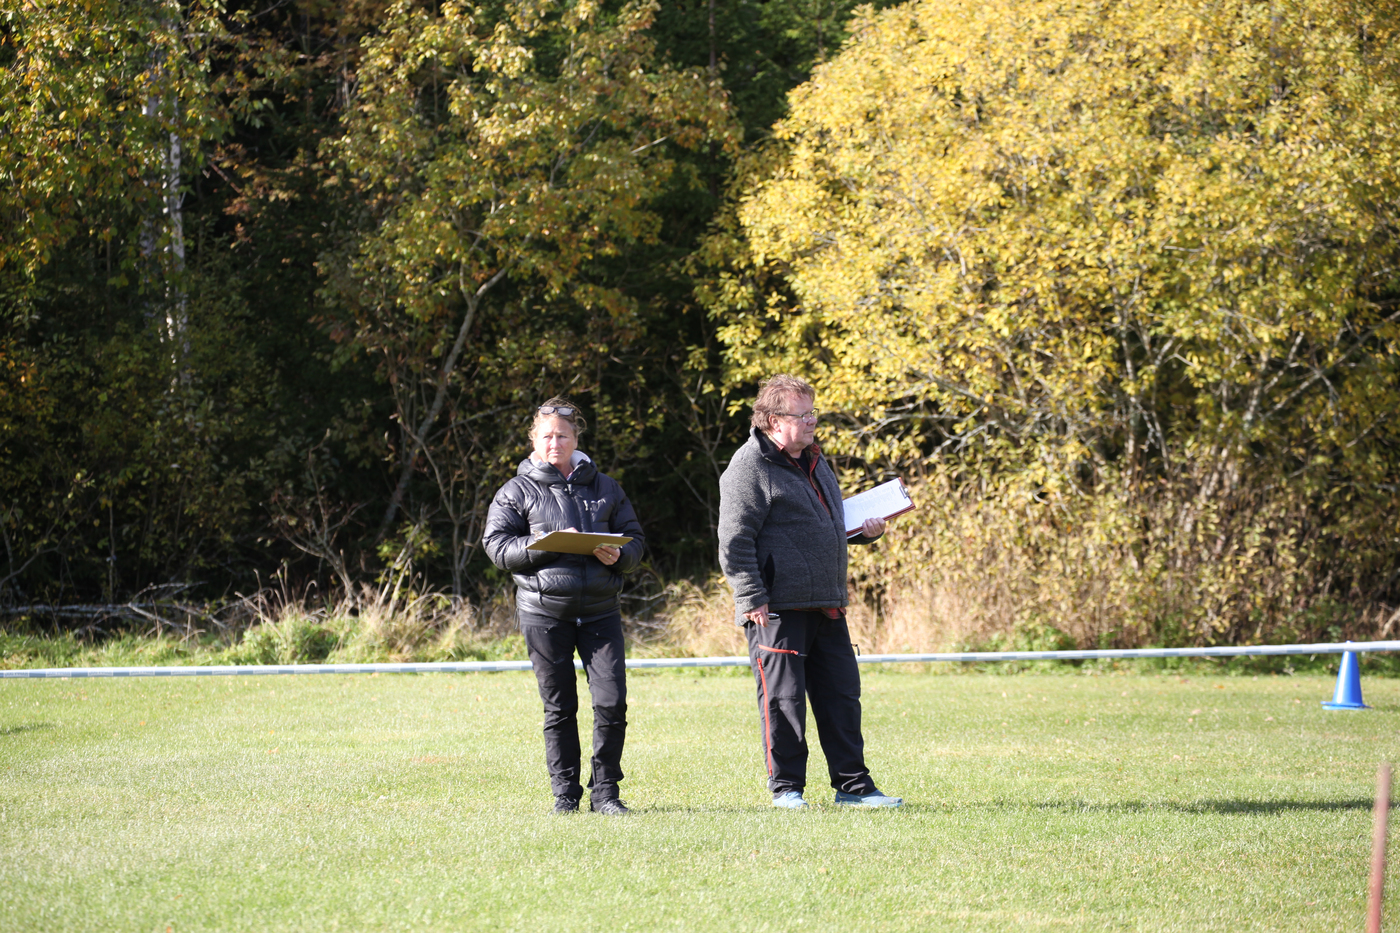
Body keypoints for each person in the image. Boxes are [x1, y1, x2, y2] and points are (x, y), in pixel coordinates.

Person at [717, 374, 903, 809]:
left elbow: (827, 525)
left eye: (812, 413)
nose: (811, 421)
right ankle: (787, 789)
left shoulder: (815, 460)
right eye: (801, 415)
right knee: (783, 704)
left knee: (842, 699)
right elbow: (734, 540)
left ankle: (854, 788)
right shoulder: (748, 466)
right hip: (777, 609)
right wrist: (751, 596)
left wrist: (864, 532)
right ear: (772, 421)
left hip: (827, 604)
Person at [483, 398, 646, 815]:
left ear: (576, 439)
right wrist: (546, 545)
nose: (554, 443)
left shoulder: (606, 487)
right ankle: (565, 796)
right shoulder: (515, 490)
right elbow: (497, 547)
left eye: (562, 435)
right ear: (533, 440)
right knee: (559, 708)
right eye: (546, 436)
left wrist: (620, 555)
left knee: (611, 703)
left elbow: (635, 542)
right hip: (544, 613)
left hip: (600, 612)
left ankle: (605, 794)